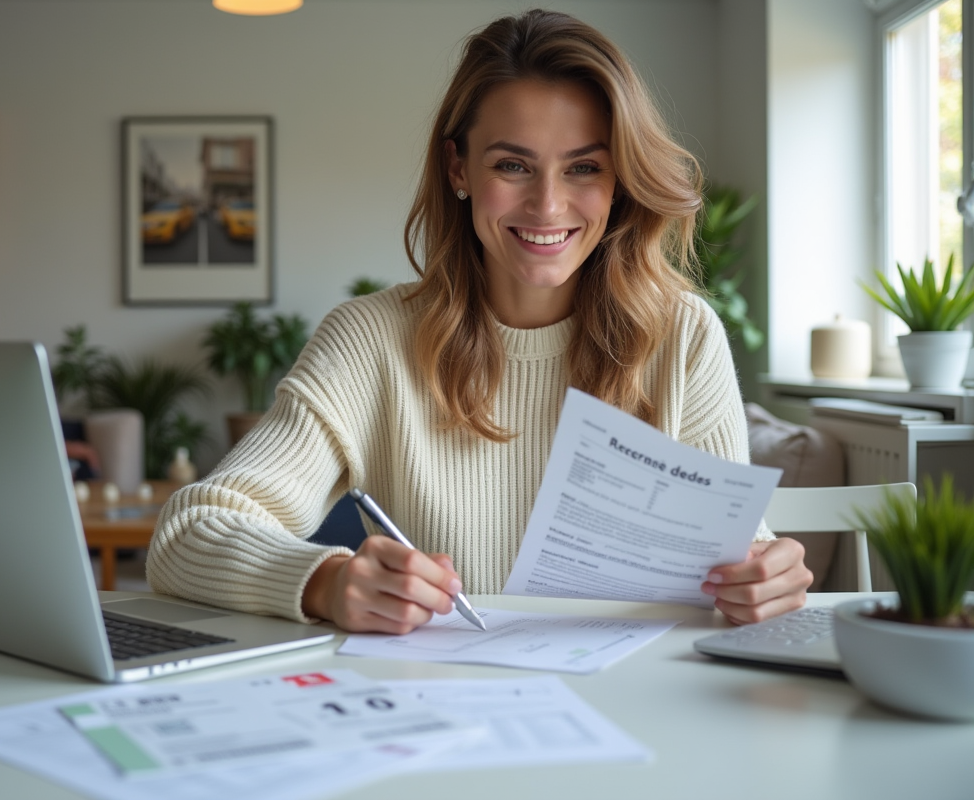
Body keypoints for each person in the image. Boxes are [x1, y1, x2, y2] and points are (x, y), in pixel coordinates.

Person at [147, 9, 811, 633]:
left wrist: (764, 578)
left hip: (638, 713)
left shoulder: (683, 338)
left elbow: (736, 565)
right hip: (439, 713)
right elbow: (187, 533)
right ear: (459, 167)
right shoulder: (370, 341)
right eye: (513, 165)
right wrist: (326, 580)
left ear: (621, 181)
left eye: (584, 167)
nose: (548, 205)